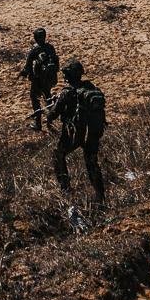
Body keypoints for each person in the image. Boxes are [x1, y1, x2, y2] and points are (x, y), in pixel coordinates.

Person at [47, 59, 106, 203]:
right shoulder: (90, 87)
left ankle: (66, 190)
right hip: (92, 131)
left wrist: (50, 106)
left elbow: (52, 115)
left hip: (75, 132)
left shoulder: (67, 92)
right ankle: (100, 197)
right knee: (92, 161)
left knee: (58, 155)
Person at [15, 28, 61, 130]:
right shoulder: (50, 47)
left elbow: (28, 66)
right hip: (48, 79)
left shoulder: (33, 49)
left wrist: (24, 72)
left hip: (36, 80)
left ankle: (38, 124)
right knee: (48, 99)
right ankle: (49, 123)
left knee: (35, 100)